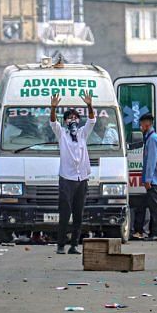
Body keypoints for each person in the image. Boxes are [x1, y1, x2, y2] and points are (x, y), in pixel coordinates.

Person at [50, 92, 95, 254]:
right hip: (67, 179)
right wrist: (53, 107)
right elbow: (53, 122)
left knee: (78, 214)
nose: (73, 120)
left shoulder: (83, 133)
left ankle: (74, 245)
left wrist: (89, 105)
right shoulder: (62, 134)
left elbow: (92, 120)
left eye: (75, 118)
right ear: (65, 121)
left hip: (81, 178)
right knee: (64, 213)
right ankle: (61, 244)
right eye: (69, 118)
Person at [136, 113, 157, 241]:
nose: (140, 127)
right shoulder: (151, 137)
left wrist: (147, 179)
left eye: (141, 125)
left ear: (147, 124)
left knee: (155, 208)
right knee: (150, 206)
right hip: (154, 179)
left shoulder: (152, 139)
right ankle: (151, 232)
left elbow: (152, 161)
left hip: (153, 180)